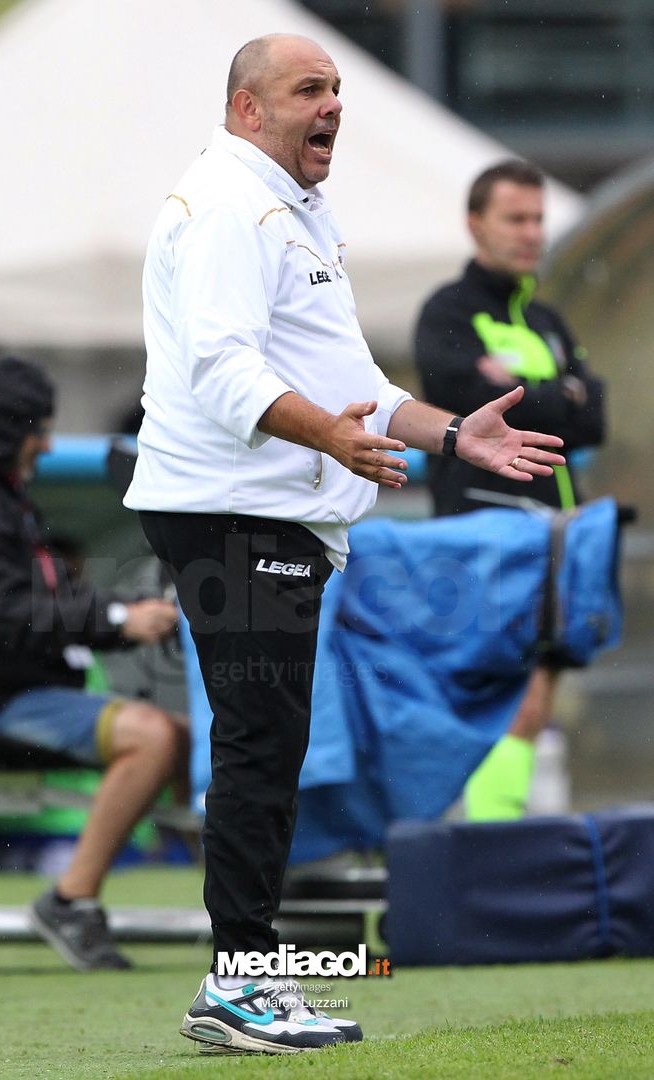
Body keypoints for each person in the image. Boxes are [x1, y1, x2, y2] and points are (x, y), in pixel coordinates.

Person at [124, 35, 565, 1055]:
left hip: (266, 511)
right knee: (258, 743)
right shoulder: (231, 205)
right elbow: (222, 369)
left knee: (266, 742)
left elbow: (348, 374)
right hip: (231, 509)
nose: (331, 107)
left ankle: (246, 974)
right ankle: (239, 982)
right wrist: (335, 439)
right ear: (245, 109)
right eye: (307, 90)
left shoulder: (289, 207)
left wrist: (452, 434)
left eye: (336, 90)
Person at [0, 355, 188, 971]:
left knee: (180, 736)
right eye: (38, 428)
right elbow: (12, 616)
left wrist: (125, 617)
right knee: (151, 737)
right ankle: (71, 899)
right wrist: (122, 621)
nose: (45, 443)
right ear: (8, 428)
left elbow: (38, 604)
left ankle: (218, 879)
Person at [413, 159, 605, 821]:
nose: (531, 233)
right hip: (481, 535)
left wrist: (536, 392)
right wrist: (564, 392)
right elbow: (460, 395)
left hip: (551, 540)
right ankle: (479, 856)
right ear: (476, 224)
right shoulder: (447, 310)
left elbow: (594, 417)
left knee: (536, 701)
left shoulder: (547, 320)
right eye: (514, 219)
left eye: (538, 219)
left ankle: (489, 850)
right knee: (502, 702)